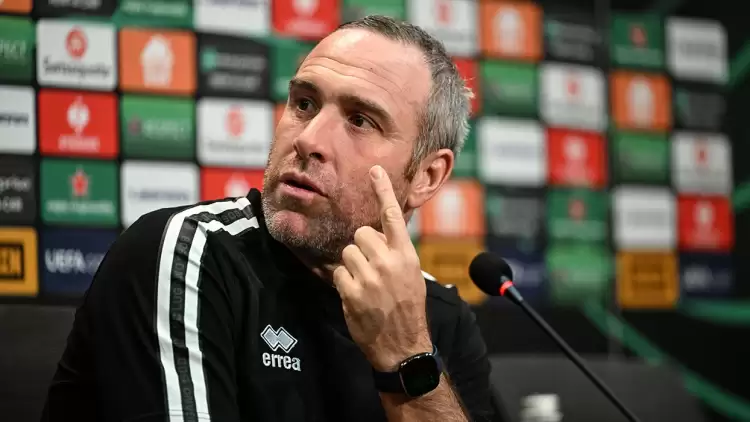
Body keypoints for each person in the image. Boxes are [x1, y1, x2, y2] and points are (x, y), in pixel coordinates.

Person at [41, 15, 500, 422]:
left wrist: (408, 357)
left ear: (426, 176)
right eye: (304, 104)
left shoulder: (439, 317)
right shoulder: (187, 256)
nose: (309, 140)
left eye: (360, 120)